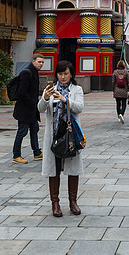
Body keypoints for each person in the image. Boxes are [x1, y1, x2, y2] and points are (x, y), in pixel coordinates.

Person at [38, 60, 84, 217]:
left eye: (66, 74)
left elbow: (80, 107)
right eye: (60, 74)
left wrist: (66, 101)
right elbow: (40, 108)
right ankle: (55, 203)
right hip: (54, 135)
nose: (63, 77)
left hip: (70, 135)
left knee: (73, 169)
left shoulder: (77, 89)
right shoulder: (51, 89)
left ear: (71, 74)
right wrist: (45, 97)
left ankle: (73, 201)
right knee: (54, 169)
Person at [12, 53, 44, 164]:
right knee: (22, 131)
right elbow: (22, 92)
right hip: (24, 109)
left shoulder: (34, 72)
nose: (41, 64)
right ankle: (16, 155)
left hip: (32, 109)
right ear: (33, 61)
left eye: (42, 62)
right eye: (39, 61)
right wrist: (32, 102)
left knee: (34, 129)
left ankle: (37, 152)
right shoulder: (27, 72)